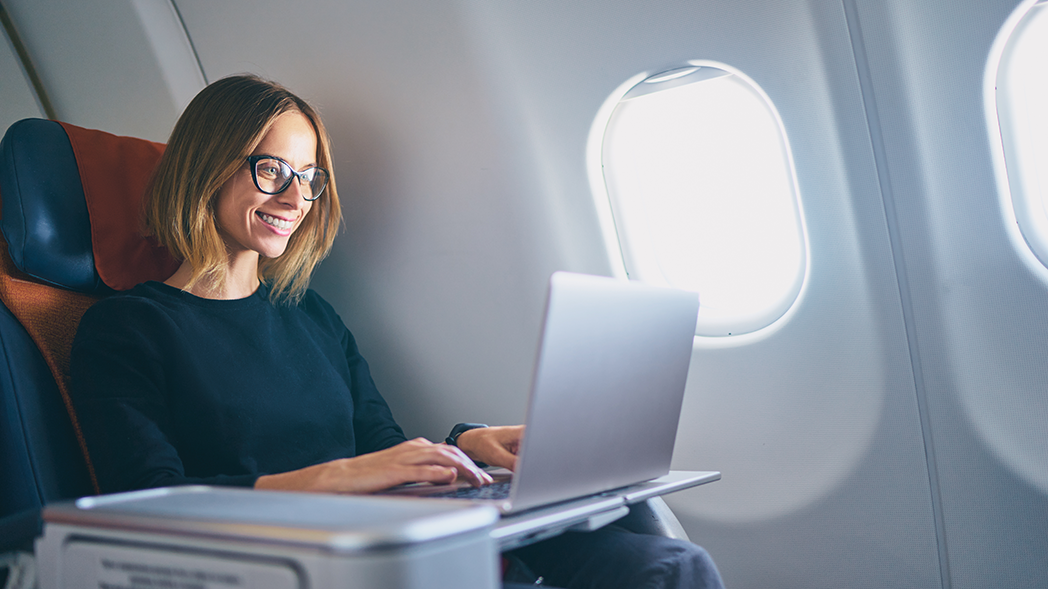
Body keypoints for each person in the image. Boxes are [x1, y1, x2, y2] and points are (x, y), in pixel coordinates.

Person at [69, 74, 723, 589]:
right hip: (293, 565)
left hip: (402, 539)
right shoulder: (125, 331)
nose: (295, 199)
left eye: (309, 179)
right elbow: (149, 505)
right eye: (272, 170)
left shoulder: (312, 316)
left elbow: (381, 447)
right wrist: (340, 477)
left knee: (673, 566)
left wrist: (468, 445)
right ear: (207, 165)